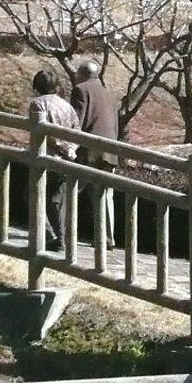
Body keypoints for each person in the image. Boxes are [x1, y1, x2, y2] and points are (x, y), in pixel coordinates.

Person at [28, 68, 79, 250]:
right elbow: (76, 131)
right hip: (66, 160)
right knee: (57, 200)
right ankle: (60, 237)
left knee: (37, 197)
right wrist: (71, 149)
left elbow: (47, 134)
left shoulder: (37, 105)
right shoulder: (67, 106)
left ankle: (53, 236)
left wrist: (63, 148)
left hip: (46, 158)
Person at [71, 60, 120, 246]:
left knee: (70, 189)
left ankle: (63, 232)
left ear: (82, 74)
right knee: (105, 194)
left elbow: (77, 122)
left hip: (89, 150)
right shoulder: (109, 94)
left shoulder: (80, 90)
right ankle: (107, 238)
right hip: (110, 149)